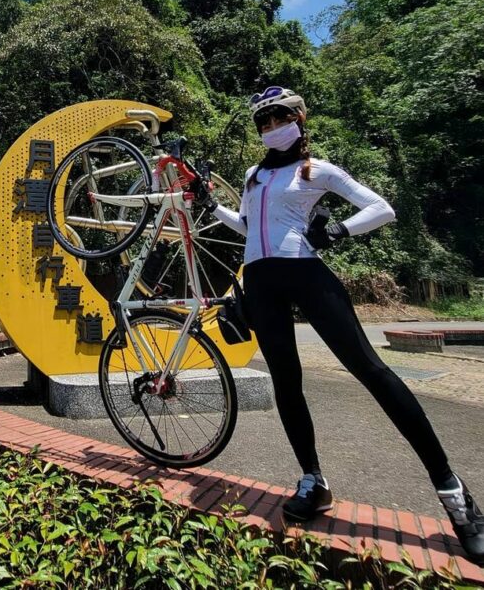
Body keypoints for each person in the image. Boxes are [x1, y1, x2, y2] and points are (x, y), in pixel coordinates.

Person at [203, 85, 484, 565]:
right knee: (286, 383)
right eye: (264, 123)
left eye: (279, 118)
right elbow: (251, 228)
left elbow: (381, 208)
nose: (272, 128)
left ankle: (453, 492)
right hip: (262, 282)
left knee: (373, 372)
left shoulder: (317, 169)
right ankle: (312, 479)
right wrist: (211, 207)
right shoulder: (253, 175)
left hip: (308, 274)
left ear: (299, 117)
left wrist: (338, 229)